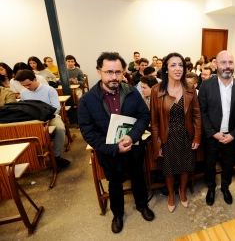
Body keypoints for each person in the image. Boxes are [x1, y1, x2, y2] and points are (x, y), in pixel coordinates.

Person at [78, 52, 154, 234]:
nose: (114, 77)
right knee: (114, 183)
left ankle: (142, 205)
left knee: (138, 178)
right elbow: (88, 132)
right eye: (109, 72)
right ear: (99, 72)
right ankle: (117, 214)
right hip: (109, 152)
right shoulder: (87, 100)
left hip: (133, 147)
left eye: (118, 72)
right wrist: (113, 148)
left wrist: (132, 136)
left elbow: (144, 116)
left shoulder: (132, 92)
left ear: (123, 72)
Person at [150, 52, 201, 213]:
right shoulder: (156, 90)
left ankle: (182, 191)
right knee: (169, 168)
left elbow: (196, 115)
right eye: (173, 65)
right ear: (166, 69)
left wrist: (197, 136)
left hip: (186, 134)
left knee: (186, 166)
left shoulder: (190, 88)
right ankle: (171, 194)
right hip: (167, 135)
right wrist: (156, 143)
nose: (178, 69)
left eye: (180, 65)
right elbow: (155, 120)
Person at [198, 51, 235, 206]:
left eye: (230, 62)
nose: (227, 66)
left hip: (231, 136)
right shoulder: (206, 85)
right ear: (216, 64)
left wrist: (233, 134)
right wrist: (213, 133)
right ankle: (211, 188)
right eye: (223, 62)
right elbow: (202, 112)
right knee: (210, 165)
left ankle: (225, 188)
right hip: (212, 136)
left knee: (228, 165)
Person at [14, 70, 68, 169]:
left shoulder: (49, 90)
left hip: (50, 117)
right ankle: (32, 159)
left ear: (35, 79)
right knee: (22, 132)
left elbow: (56, 108)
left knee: (60, 129)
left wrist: (44, 118)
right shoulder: (24, 92)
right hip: (33, 120)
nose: (27, 87)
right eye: (23, 85)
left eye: (29, 84)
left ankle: (56, 156)